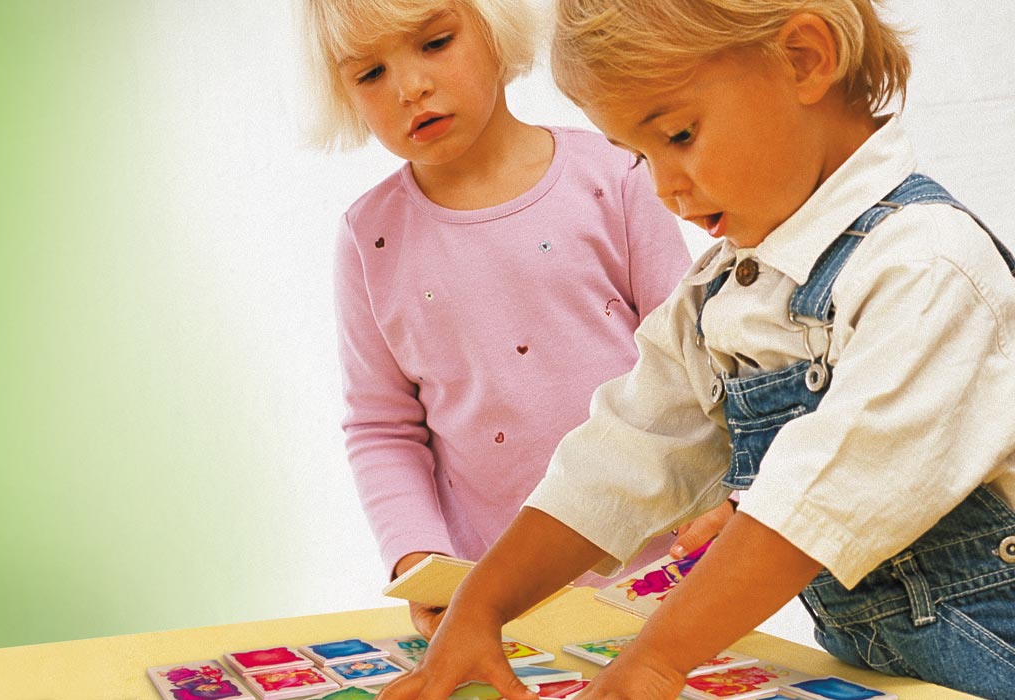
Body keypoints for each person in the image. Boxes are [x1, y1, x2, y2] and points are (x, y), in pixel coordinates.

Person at [376, 1, 1015, 699]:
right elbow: (618, 460)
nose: (663, 187)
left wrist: (655, 661)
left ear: (804, 59)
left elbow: (815, 502)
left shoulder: (926, 268)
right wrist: (482, 607)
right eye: (640, 156)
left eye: (679, 134)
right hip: (884, 674)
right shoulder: (723, 291)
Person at [301, 0, 728, 639]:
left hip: (654, 576)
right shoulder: (371, 237)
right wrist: (419, 558)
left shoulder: (615, 176)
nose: (409, 87)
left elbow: (696, 359)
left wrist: (729, 491)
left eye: (436, 43)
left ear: (497, 32)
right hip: (492, 596)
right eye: (370, 74)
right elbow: (382, 427)